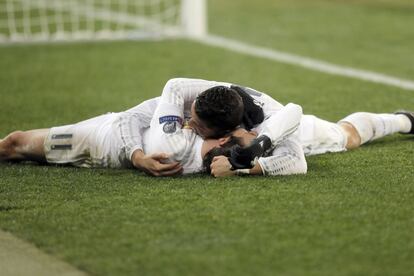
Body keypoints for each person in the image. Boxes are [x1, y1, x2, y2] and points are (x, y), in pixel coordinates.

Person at [0, 78, 297, 175]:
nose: (188, 121)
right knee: (328, 134)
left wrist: (136, 155)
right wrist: (258, 152)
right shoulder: (257, 128)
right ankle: (347, 126)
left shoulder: (172, 144)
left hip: (106, 140)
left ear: (221, 137)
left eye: (195, 121)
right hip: (120, 133)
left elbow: (129, 119)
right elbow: (294, 113)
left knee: (14, 144)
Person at [206, 110, 414, 177]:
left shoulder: (279, 136)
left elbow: (297, 165)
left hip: (301, 130)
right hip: (275, 120)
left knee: (347, 135)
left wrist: (237, 169)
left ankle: (404, 121)